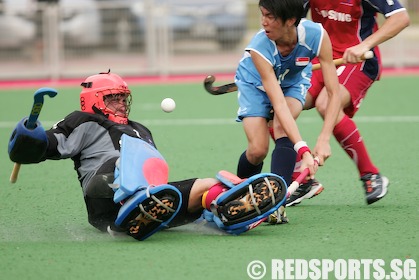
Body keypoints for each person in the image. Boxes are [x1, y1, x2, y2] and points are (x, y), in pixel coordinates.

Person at [8, 70, 288, 241]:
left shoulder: (141, 129)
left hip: (151, 196)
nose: (120, 103)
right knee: (121, 162)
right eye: (112, 98)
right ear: (94, 101)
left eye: (122, 97)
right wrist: (29, 139)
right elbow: (49, 144)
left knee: (206, 184)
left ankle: (232, 209)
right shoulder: (82, 120)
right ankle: (139, 206)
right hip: (104, 196)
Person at [286, 0, 410, 206]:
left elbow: (401, 17)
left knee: (326, 104)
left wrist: (365, 44)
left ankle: (370, 175)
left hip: (357, 60)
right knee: (278, 110)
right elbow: (288, 19)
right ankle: (303, 178)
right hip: (320, 59)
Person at [234, 0, 341, 221]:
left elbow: (333, 92)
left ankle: (276, 202)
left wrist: (324, 138)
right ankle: (243, 200)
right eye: (262, 14)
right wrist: (303, 150)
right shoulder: (259, 48)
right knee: (257, 150)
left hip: (293, 80)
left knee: (282, 125)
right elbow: (278, 104)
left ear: (291, 20)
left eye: (270, 17)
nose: (263, 22)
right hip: (254, 82)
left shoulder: (317, 36)